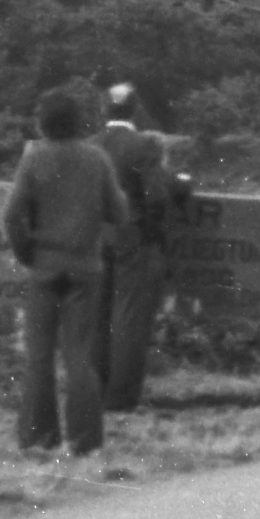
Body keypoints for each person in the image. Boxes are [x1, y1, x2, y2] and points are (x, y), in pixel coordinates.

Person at [4, 89, 129, 456]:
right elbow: (119, 214)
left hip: (43, 267)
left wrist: (27, 252)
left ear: (43, 123)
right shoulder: (96, 158)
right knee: (80, 357)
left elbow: (12, 216)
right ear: (78, 121)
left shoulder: (35, 159)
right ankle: (85, 442)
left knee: (39, 356)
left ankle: (38, 439)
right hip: (85, 269)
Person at [91, 82, 186, 411]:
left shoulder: (89, 146)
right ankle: (121, 400)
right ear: (134, 110)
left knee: (97, 317)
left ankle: (95, 393)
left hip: (93, 237)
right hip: (133, 235)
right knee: (129, 317)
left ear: (104, 109)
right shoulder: (143, 145)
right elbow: (157, 195)